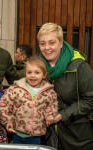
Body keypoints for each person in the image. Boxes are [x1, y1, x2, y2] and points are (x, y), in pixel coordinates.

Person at [37, 22, 93, 150]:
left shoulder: (79, 66)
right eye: (42, 43)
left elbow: (90, 99)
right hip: (47, 136)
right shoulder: (37, 66)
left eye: (52, 42)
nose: (47, 47)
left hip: (77, 136)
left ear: (61, 43)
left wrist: (62, 115)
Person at [0, 56, 58, 144]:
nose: (32, 76)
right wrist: (8, 121)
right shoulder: (16, 89)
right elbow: (5, 104)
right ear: (25, 73)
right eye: (29, 72)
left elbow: (53, 105)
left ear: (44, 74)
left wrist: (50, 115)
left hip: (37, 135)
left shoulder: (49, 92)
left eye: (37, 72)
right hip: (17, 133)